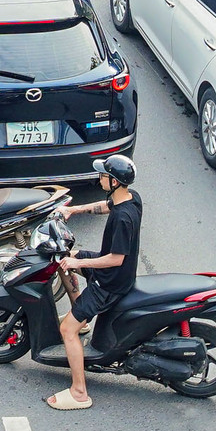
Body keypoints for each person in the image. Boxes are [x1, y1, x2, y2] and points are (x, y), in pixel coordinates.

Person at [45, 155, 141, 411]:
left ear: (114, 182)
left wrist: (80, 263)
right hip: (113, 273)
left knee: (67, 330)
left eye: (103, 175)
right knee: (65, 259)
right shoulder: (131, 198)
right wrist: (73, 210)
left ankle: (79, 392)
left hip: (110, 283)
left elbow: (116, 259)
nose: (99, 178)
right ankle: (83, 318)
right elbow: (106, 206)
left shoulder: (123, 219)